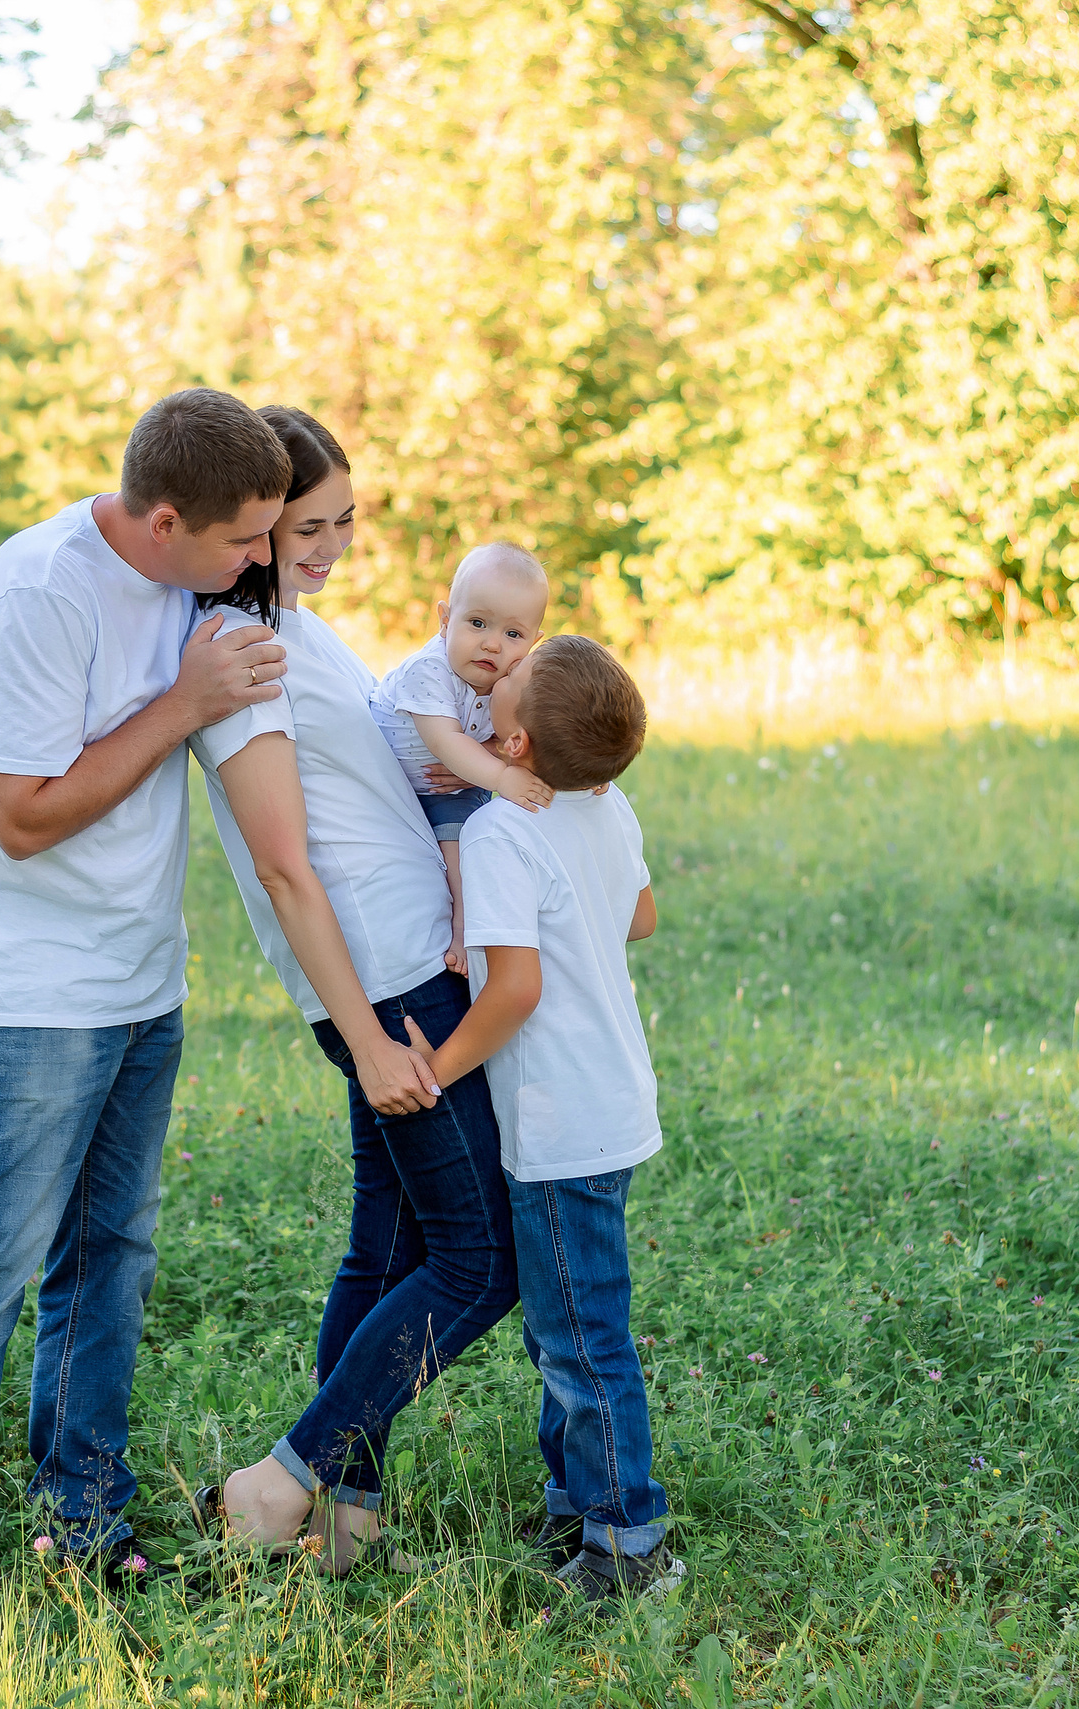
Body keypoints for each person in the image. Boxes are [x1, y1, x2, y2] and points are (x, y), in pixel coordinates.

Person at [0, 389, 298, 1632]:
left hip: (137, 983)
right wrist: (184, 702)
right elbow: (20, 816)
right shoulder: (40, 593)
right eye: (240, 542)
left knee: (108, 1261)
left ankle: (84, 1517)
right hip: (21, 1001)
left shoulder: (192, 580)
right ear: (165, 518)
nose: (258, 563)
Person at [187, 406, 517, 1570]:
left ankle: (348, 1517)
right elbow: (284, 864)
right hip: (381, 986)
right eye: (307, 527)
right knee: (483, 1260)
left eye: (344, 521)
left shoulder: (299, 627)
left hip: (408, 965)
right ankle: (277, 1482)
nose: (329, 546)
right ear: (253, 524)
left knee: (386, 1248)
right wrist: (370, 1034)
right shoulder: (243, 647)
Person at [406, 635, 686, 1605]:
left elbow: (514, 990)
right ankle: (576, 1498)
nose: (491, 672)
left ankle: (627, 1544)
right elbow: (638, 914)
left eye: (505, 682)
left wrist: (435, 1070)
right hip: (607, 1095)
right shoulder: (605, 803)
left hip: (562, 1118)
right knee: (563, 1326)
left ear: (515, 744)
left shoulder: (497, 833)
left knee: (580, 1337)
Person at [367, 545, 553, 971]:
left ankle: (523, 919)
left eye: (513, 634)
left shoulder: (509, 680)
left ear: (533, 643)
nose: (491, 644)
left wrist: (586, 773)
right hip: (398, 779)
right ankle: (465, 926)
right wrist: (502, 777)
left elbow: (539, 733)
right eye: (477, 623)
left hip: (452, 785)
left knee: (492, 835)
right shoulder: (429, 671)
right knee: (458, 852)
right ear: (445, 620)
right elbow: (447, 743)